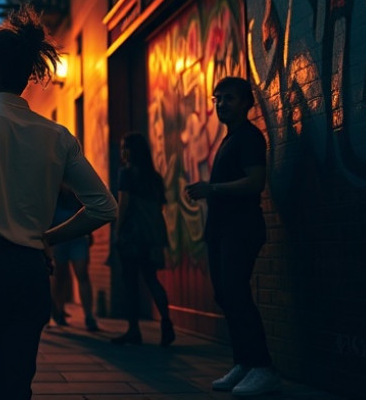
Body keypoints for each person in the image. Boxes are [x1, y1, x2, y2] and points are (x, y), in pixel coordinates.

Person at [0, 5, 118, 399]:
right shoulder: (58, 135)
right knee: (13, 388)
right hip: (29, 272)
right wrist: (47, 236)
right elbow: (104, 206)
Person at [186, 76, 279, 396]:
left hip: (242, 229)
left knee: (237, 295)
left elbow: (255, 182)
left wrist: (210, 188)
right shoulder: (230, 139)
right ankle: (244, 363)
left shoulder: (249, 138)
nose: (222, 104)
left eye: (229, 98)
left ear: (246, 103)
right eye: (218, 99)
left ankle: (263, 367)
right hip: (223, 231)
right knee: (226, 296)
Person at [109, 132, 174, 346]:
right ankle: (166, 323)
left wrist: (117, 232)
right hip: (150, 236)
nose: (123, 152)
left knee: (131, 283)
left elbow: (124, 203)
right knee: (151, 278)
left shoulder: (126, 173)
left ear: (132, 151)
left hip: (131, 236)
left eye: (125, 147)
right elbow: (160, 206)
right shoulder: (154, 177)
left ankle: (134, 331)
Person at [49, 185, 98, 331]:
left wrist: (89, 232)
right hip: (59, 238)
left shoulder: (77, 195)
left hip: (77, 238)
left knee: (82, 273)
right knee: (60, 276)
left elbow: (88, 212)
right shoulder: (54, 195)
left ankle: (89, 316)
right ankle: (58, 312)